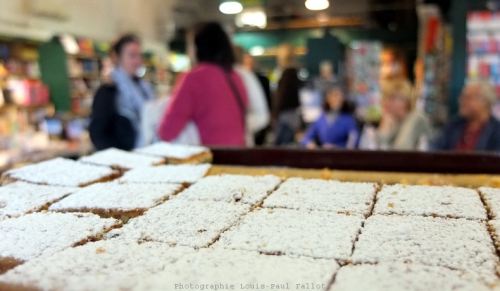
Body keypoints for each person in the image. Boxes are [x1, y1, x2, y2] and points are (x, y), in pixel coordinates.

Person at [157, 22, 247, 146]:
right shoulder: (235, 76)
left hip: (210, 158)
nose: (189, 51)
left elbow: (166, 131)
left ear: (199, 46)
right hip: (238, 154)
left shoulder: (194, 77)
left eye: (190, 44)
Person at [89, 34, 155, 151]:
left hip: (147, 152)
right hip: (125, 160)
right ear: (116, 57)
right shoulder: (109, 90)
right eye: (132, 56)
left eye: (139, 56)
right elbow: (98, 134)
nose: (138, 61)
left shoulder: (143, 87)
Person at [433, 80, 500, 151]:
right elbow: (435, 148)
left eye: (467, 98)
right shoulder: (454, 125)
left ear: (484, 102)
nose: (461, 101)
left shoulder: (496, 131)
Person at [377, 79, 432, 150]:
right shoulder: (396, 120)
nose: (387, 102)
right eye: (386, 98)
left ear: (405, 101)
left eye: (392, 98)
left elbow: (400, 150)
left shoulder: (416, 118)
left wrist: (385, 128)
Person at [301, 84, 358, 149]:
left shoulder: (348, 119)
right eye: (335, 95)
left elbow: (354, 139)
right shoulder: (321, 118)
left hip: (341, 155)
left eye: (340, 95)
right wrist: (312, 145)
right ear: (328, 98)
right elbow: (306, 138)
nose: (338, 99)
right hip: (324, 154)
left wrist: (339, 148)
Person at [233, 46, 269, 146]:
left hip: (242, 139)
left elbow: (262, 115)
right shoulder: (245, 75)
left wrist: (237, 125)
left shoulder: (245, 76)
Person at [273, 43, 301, 145]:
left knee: (279, 148)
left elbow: (282, 97)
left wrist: (274, 114)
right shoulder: (293, 73)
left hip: (285, 117)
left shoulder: (288, 74)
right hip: (291, 116)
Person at [243, 53, 272, 145]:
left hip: (260, 119)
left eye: (251, 63)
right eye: (248, 63)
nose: (250, 66)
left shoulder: (263, 80)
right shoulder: (240, 80)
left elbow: (268, 100)